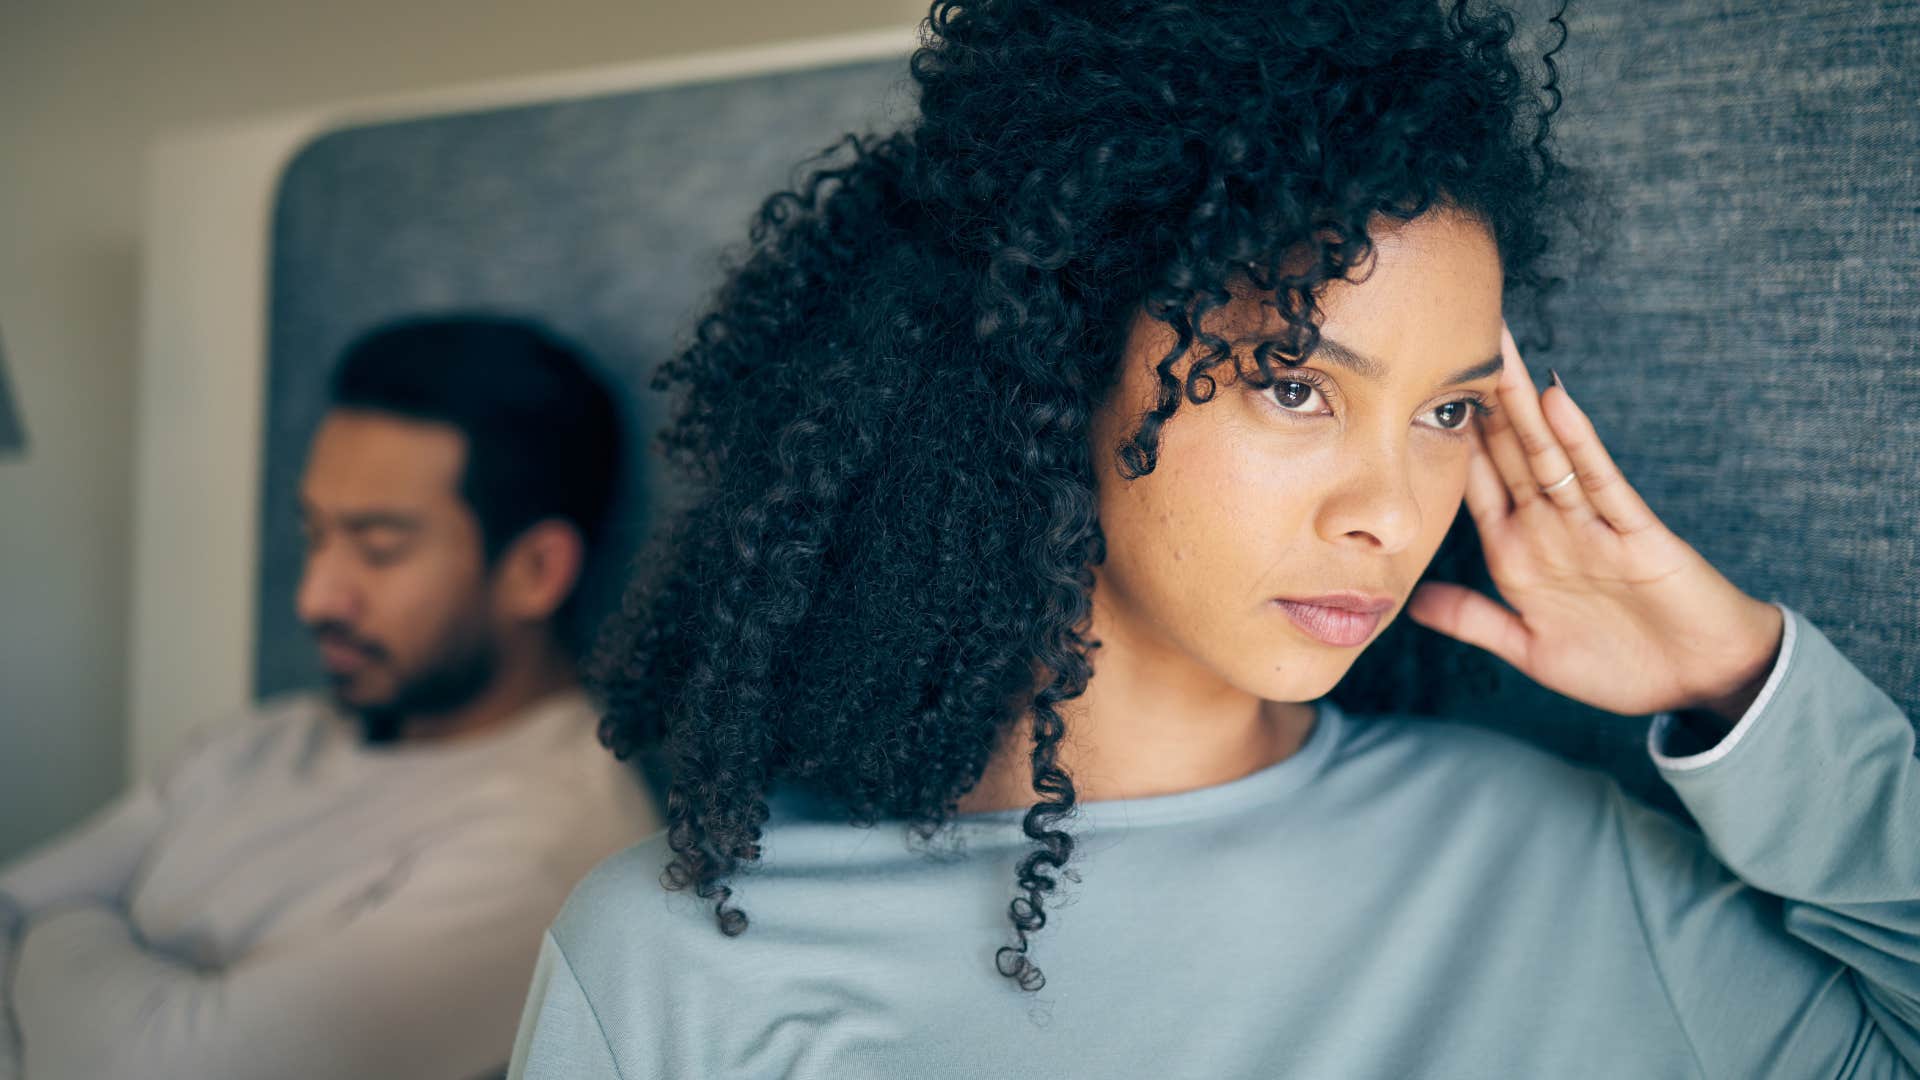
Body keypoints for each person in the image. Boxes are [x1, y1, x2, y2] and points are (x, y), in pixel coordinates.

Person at [509, 2, 1920, 1077]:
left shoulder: (1566, 864)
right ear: (1053, 370)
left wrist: (1747, 684)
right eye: (1298, 386)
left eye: (1445, 414)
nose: (1388, 512)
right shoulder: (678, 959)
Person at [0, 315, 660, 1079]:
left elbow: (156, 1070)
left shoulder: (557, 860)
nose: (316, 598)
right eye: (315, 535)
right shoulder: (268, 736)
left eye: (379, 549)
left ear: (536, 571)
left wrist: (57, 926)